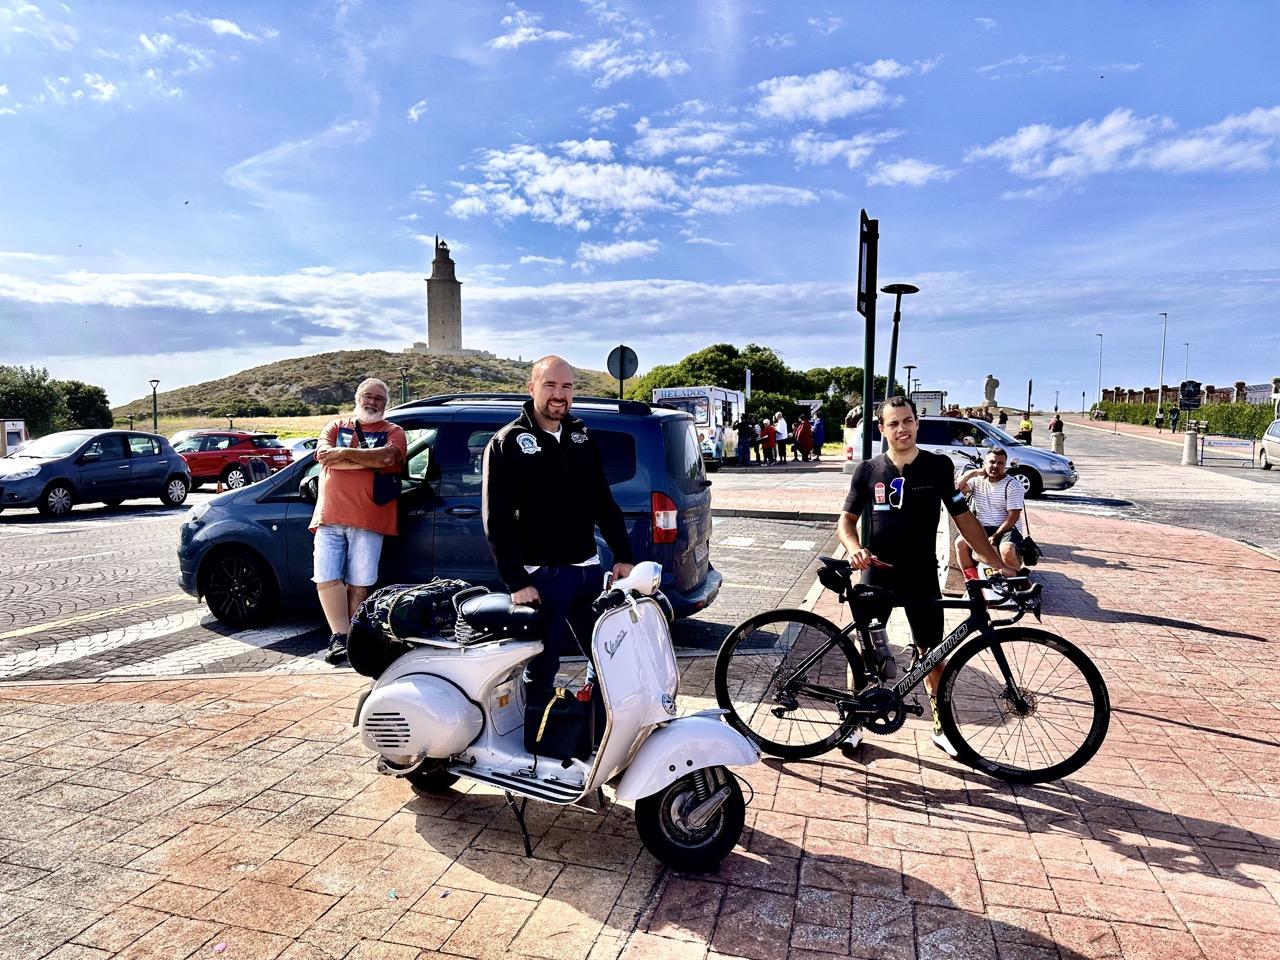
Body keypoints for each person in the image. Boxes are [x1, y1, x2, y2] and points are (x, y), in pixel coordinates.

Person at [837, 396, 1017, 756]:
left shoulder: (938, 466)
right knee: (864, 650)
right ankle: (852, 723)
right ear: (882, 429)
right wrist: (855, 548)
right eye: (893, 423)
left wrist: (996, 562)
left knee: (932, 653)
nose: (901, 429)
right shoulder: (868, 469)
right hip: (877, 570)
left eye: (907, 421)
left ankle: (941, 726)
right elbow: (846, 520)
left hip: (920, 572)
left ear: (917, 423)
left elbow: (963, 519)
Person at [482, 355, 635, 715]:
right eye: (550, 385)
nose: (559, 394)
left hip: (587, 571)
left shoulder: (580, 436)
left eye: (566, 386)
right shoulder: (508, 443)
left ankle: (590, 729)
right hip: (543, 576)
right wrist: (516, 579)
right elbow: (496, 519)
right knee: (544, 666)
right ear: (531, 387)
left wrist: (624, 555)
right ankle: (533, 748)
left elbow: (604, 501)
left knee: (608, 657)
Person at [312, 378, 408, 663]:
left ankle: (354, 637)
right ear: (357, 398)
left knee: (360, 582)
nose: (373, 402)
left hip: (370, 520)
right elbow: (323, 455)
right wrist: (367, 460)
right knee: (326, 576)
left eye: (379, 398)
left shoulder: (394, 431)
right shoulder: (335, 426)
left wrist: (343, 455)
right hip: (329, 517)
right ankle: (339, 637)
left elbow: (389, 458)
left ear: (386, 403)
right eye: (368, 396)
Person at [954, 447, 1026, 574]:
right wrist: (972, 473)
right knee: (960, 544)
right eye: (992, 462)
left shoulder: (1013, 485)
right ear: (984, 464)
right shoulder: (977, 481)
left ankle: (1018, 582)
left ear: (1005, 465)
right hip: (982, 527)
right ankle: (973, 580)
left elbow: (1013, 517)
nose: (995, 466)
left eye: (1000, 463)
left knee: (1006, 550)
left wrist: (995, 536)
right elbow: (957, 489)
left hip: (1007, 529)